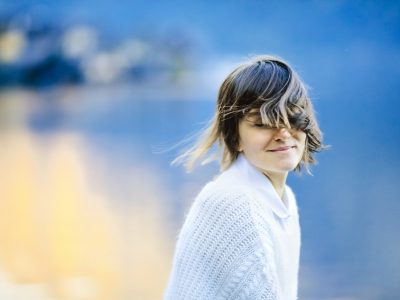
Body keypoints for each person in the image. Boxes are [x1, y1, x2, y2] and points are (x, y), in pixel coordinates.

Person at [164, 55, 325, 299]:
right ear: (235, 137)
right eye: (262, 123)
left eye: (292, 118)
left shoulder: (282, 199)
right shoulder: (235, 203)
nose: (283, 133)